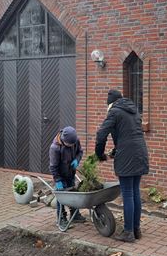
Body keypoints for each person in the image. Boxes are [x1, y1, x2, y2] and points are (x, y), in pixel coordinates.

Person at [95, 89, 149, 243]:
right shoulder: (133, 111)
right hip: (140, 152)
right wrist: (116, 149)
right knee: (135, 192)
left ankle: (128, 232)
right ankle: (136, 229)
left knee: (127, 194)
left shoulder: (114, 112)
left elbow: (101, 134)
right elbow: (129, 135)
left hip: (127, 156)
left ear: (111, 104)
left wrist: (99, 154)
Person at [49, 126, 86, 228]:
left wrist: (77, 160)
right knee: (62, 198)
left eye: (72, 144)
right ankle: (61, 219)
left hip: (70, 173)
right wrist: (57, 180)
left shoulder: (75, 141)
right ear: (64, 140)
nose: (71, 145)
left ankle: (75, 216)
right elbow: (53, 167)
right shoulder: (55, 148)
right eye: (69, 144)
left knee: (73, 194)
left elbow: (80, 152)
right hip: (60, 176)